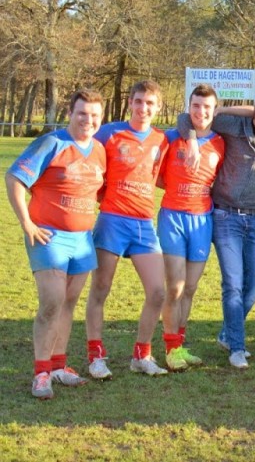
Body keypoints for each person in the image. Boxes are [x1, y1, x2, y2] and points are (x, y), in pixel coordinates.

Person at [176, 92, 255, 368]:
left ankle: (228, 333)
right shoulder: (232, 126)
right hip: (225, 216)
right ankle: (236, 347)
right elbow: (184, 118)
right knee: (233, 285)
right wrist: (191, 140)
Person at [7, 89, 106, 399]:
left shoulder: (100, 150)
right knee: (52, 300)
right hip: (48, 235)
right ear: (70, 113)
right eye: (82, 113)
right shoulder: (52, 143)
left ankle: (60, 366)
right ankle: (41, 373)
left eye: (93, 115)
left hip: (82, 241)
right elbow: (14, 179)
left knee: (69, 302)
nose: (87, 120)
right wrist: (27, 224)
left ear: (100, 118)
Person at [85, 80, 169, 378]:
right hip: (111, 220)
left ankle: (141, 354)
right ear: (130, 103)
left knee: (158, 292)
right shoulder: (109, 132)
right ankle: (96, 356)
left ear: (158, 107)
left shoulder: (162, 139)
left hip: (145, 224)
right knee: (100, 289)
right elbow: (86, 157)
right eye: (138, 101)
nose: (143, 108)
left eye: (150, 103)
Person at [158, 84, 224, 371]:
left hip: (202, 220)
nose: (201, 112)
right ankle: (171, 349)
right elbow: (157, 177)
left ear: (214, 110)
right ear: (189, 107)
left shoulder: (221, 143)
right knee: (175, 287)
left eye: (207, 107)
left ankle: (180, 345)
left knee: (191, 288)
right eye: (196, 106)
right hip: (172, 216)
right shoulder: (172, 138)